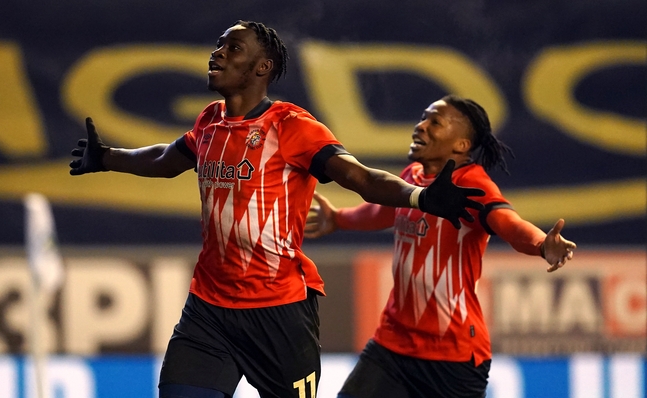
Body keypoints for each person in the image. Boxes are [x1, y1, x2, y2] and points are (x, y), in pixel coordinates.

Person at [69, 20, 486, 398]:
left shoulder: (292, 126)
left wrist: (420, 196)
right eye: (218, 45)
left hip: (279, 315)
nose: (217, 54)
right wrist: (107, 157)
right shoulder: (209, 122)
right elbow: (164, 160)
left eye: (232, 48)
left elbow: (359, 177)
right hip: (209, 309)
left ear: (261, 68)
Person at [304, 94, 577, 398]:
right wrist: (338, 219)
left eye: (435, 122)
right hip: (393, 344)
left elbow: (507, 223)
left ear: (461, 144)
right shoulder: (412, 178)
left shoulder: (473, 186)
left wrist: (541, 244)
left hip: (453, 358)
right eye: (423, 118)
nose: (420, 126)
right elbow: (381, 212)